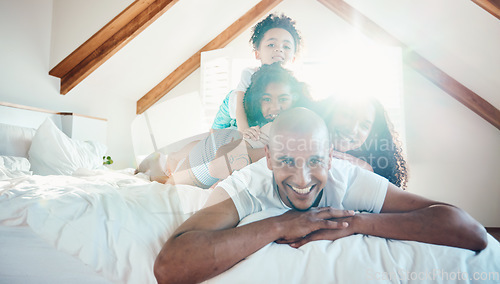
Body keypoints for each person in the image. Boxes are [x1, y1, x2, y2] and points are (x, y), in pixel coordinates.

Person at [153, 107, 487, 284]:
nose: (302, 178)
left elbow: (471, 232)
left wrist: (358, 222)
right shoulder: (248, 185)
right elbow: (169, 268)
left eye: (315, 161)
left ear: (329, 157)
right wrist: (280, 225)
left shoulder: (348, 178)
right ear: (269, 158)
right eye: (286, 162)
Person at [137, 63, 311, 188]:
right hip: (215, 150)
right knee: (169, 183)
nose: (275, 106)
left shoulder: (287, 124)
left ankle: (163, 160)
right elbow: (220, 164)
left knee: (176, 172)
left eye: (283, 99)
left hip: (219, 148)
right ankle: (157, 162)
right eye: (267, 99)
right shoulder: (262, 120)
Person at [211, 13, 301, 140]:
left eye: (286, 46)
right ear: (257, 54)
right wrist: (244, 131)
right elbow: (240, 103)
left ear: (293, 58)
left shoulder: (294, 86)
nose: (279, 49)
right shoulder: (248, 74)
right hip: (236, 114)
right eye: (271, 45)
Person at [319, 96, 409, 188]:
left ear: (370, 135)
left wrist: (368, 173)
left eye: (364, 126)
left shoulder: (365, 167)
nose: (352, 129)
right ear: (330, 112)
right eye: (347, 115)